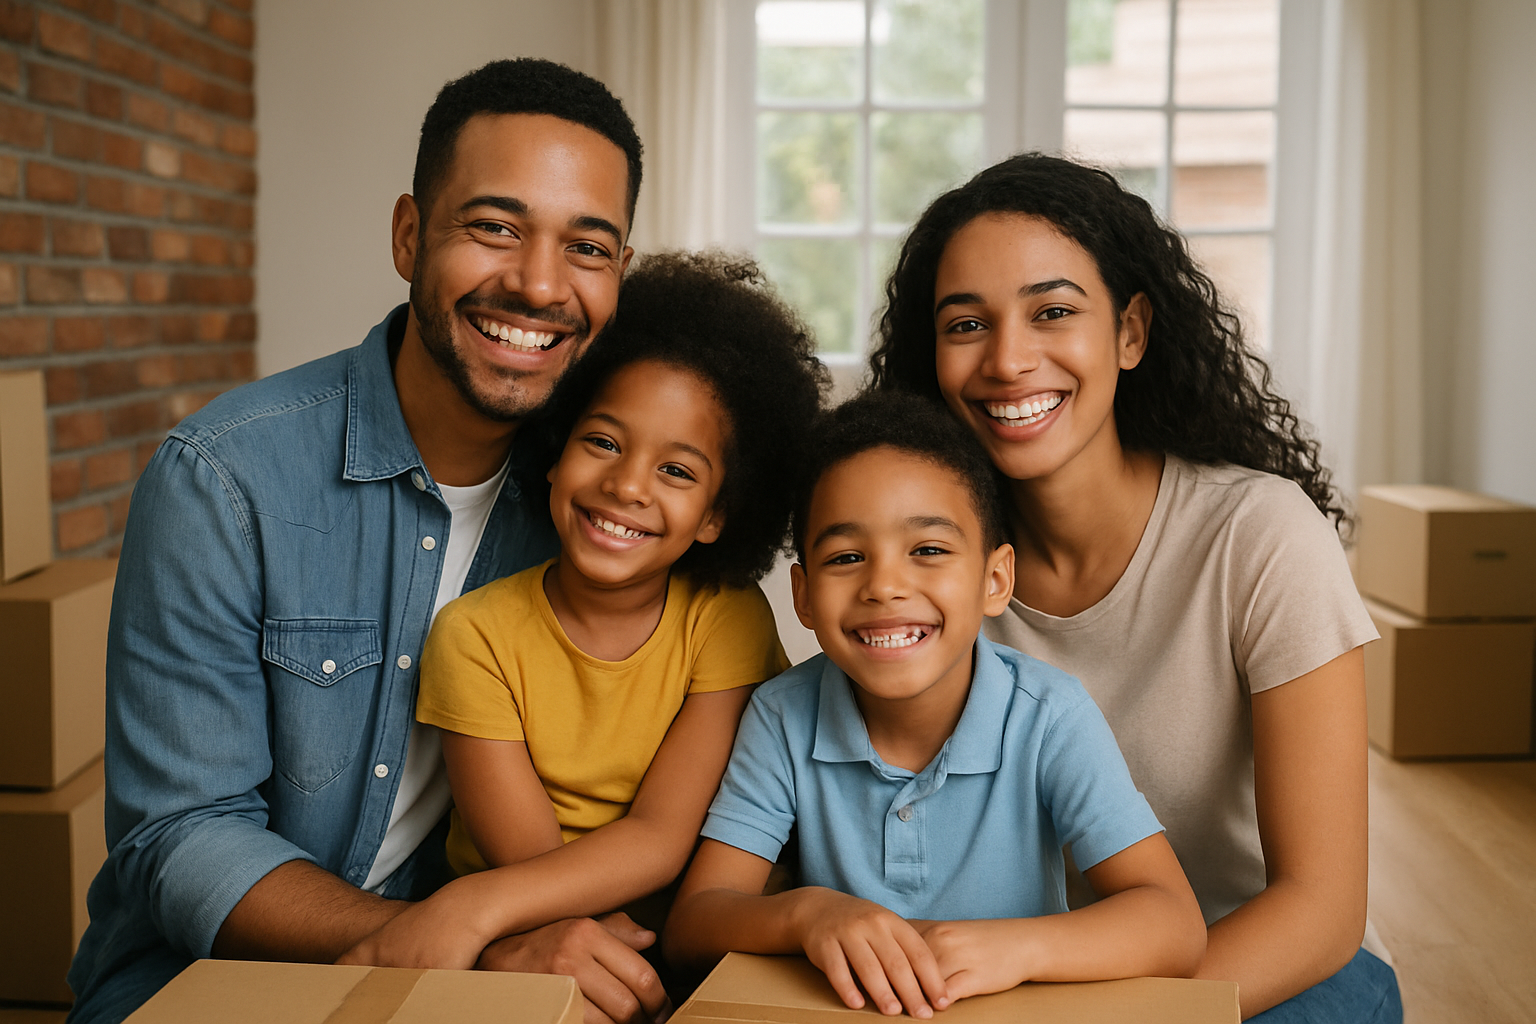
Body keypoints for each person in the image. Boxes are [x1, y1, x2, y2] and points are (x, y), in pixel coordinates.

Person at [67, 59, 677, 1024]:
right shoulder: (223, 477)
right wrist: (459, 944)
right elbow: (180, 836)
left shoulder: (610, 509)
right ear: (408, 235)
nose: (538, 284)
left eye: (587, 247)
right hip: (218, 981)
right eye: (495, 228)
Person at [868, 152, 1402, 1022]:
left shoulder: (1259, 536)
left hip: (1265, 971)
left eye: (1052, 312)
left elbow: (1321, 908)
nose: (1008, 360)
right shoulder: (913, 576)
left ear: (1130, 332)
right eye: (966, 325)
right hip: (1023, 980)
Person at [344, 252, 828, 973]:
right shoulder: (474, 637)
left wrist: (465, 910)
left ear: (716, 516)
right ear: (554, 451)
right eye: (602, 442)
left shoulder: (724, 617)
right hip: (531, 934)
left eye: (676, 471)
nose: (627, 485)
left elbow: (666, 835)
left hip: (677, 931)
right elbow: (532, 867)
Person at [663, 391, 1207, 1018]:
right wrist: (805, 915)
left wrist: (1017, 949)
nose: (885, 586)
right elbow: (694, 928)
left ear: (994, 580)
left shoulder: (1049, 716)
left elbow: (1174, 925)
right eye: (846, 557)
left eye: (928, 550)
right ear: (804, 595)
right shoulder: (781, 716)